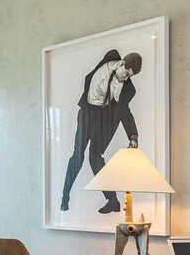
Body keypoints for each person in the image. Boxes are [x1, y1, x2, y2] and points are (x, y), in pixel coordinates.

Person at [60, 50, 142, 214]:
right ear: (121, 64)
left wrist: (133, 136)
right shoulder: (110, 58)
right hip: (86, 113)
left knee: (95, 158)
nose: (126, 78)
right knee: (77, 156)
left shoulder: (127, 89)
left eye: (129, 77)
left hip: (104, 120)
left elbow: (125, 112)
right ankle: (64, 197)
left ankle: (113, 201)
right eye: (126, 74)